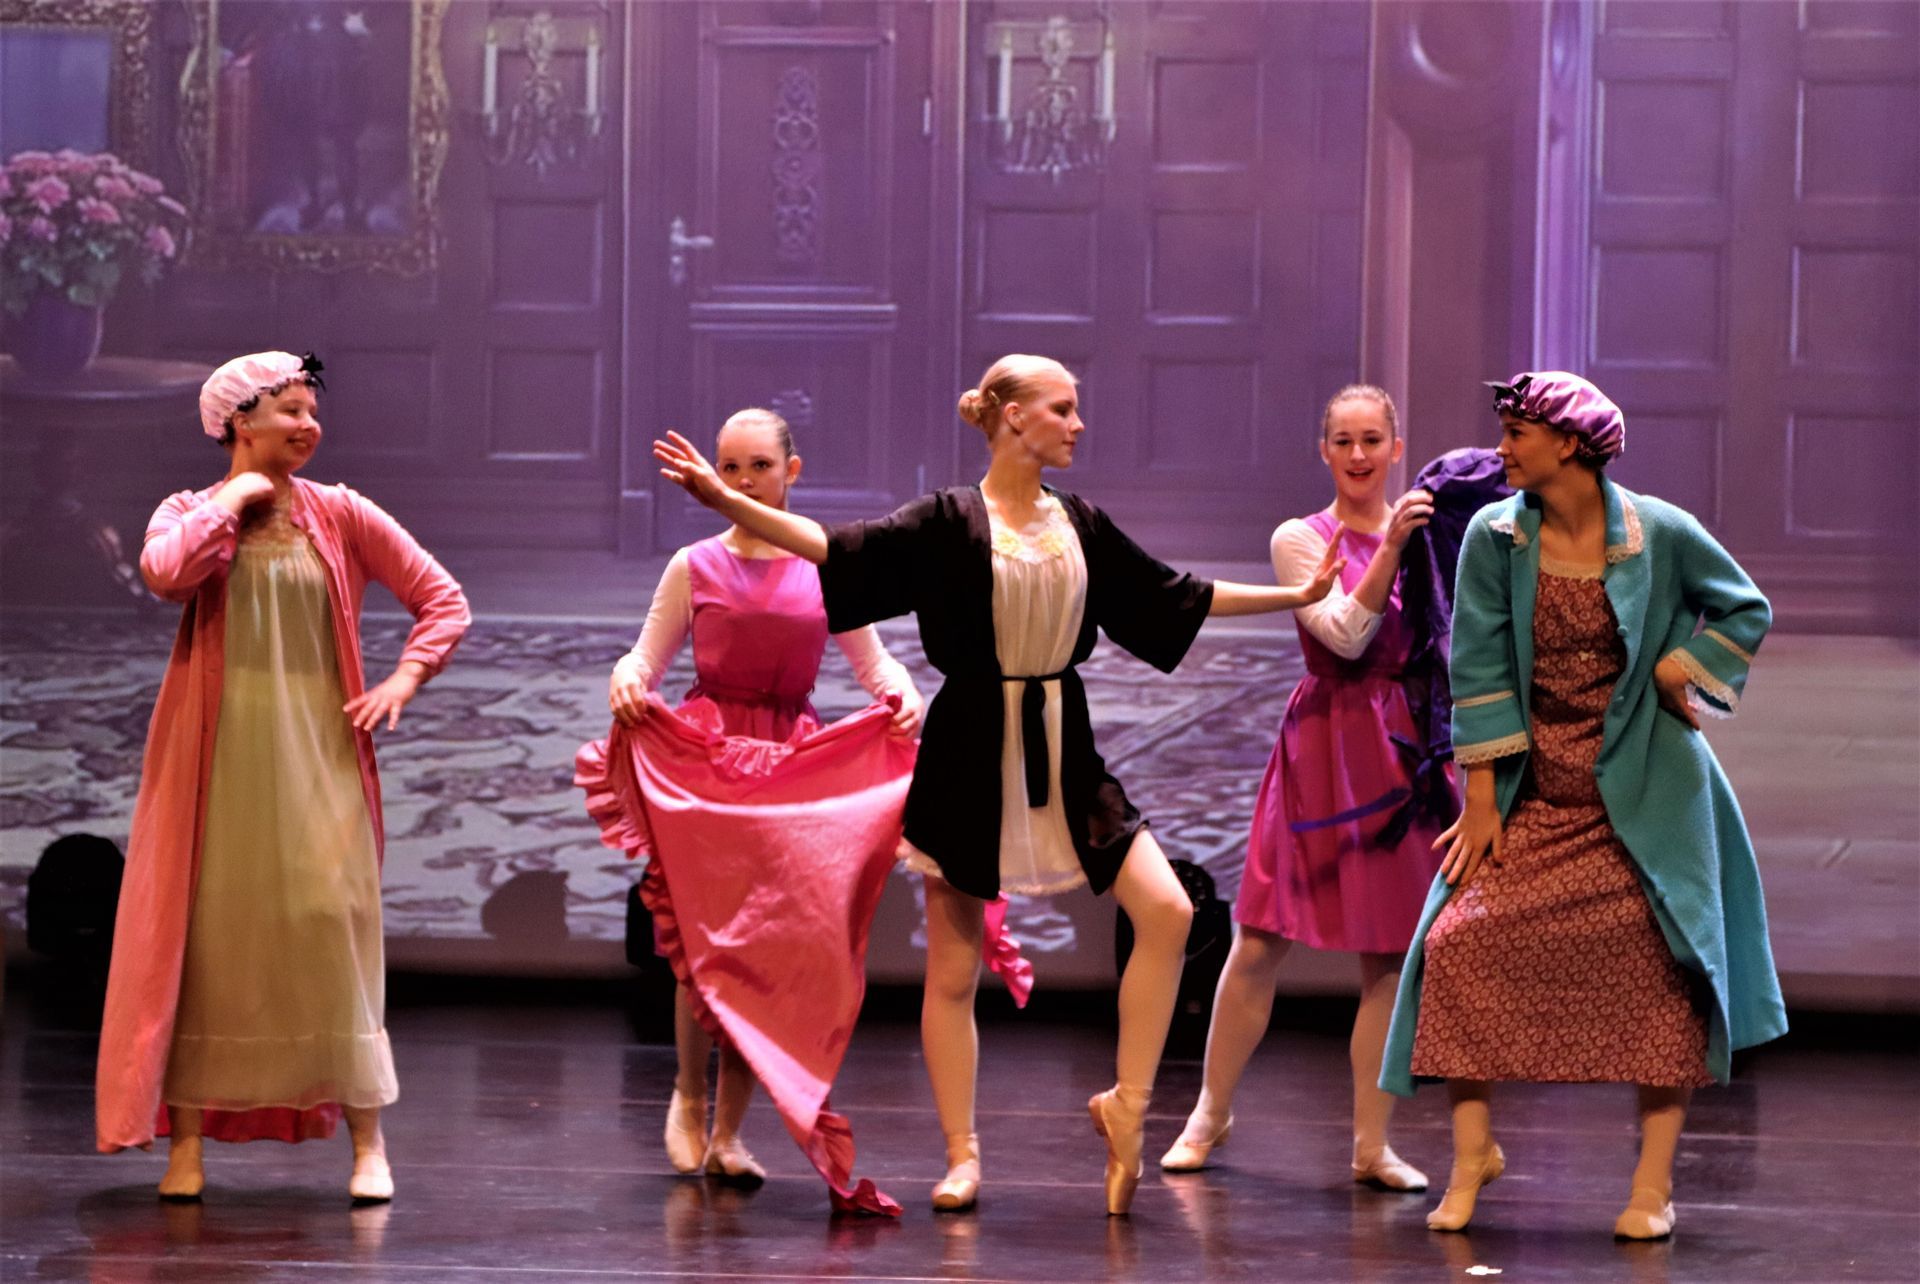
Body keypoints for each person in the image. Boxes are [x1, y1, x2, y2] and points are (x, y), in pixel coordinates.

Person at [653, 354, 1344, 1216]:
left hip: (1063, 743)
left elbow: (1173, 594)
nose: (1078, 424)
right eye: (1063, 408)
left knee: (1169, 911)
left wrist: (1295, 594)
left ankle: (1128, 1107)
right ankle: (962, 1154)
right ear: (1014, 417)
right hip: (972, 744)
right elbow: (836, 549)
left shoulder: (1078, 522)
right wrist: (726, 502)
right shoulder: (948, 520)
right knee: (953, 967)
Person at [1379, 371, 1787, 1239]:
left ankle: (1651, 1186)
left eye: (1516, 433)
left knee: (1665, 970)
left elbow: (1744, 606)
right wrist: (1480, 798)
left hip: (1646, 790)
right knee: (1459, 946)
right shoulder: (1497, 534)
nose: (1501, 449)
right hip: (1535, 789)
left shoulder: (1658, 530)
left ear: (1569, 444)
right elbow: (1476, 662)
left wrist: (1680, 668)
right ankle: (1473, 1155)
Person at [95, 351, 471, 1203]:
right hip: (217, 758)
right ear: (240, 420)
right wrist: (234, 498)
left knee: (330, 929)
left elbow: (442, 598)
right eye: (292, 411)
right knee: (211, 944)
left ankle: (368, 1142)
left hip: (320, 754)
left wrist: (404, 679)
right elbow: (166, 573)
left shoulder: (340, 513)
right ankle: (187, 1143)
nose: (310, 425)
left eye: (312, 411)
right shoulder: (188, 511)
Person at [577, 408, 927, 1214]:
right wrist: (627, 678)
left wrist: (902, 692)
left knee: (758, 951)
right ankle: (686, 1096)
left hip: (787, 771)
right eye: (730, 468)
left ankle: (730, 1131)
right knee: (703, 942)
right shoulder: (695, 564)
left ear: (791, 471)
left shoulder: (825, 564)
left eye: (759, 466)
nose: (742, 482)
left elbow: (875, 664)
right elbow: (646, 656)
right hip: (706, 765)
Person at [1162, 385, 1454, 1191]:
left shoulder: (1427, 538)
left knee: (1389, 958)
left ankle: (1372, 1144)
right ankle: (1208, 1113)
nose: (1358, 456)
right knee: (1260, 940)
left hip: (1400, 752)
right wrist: (1390, 552)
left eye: (1372, 441)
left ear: (1397, 448)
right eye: (1343, 441)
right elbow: (1345, 637)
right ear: (1323, 450)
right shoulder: (1300, 538)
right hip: (1323, 747)